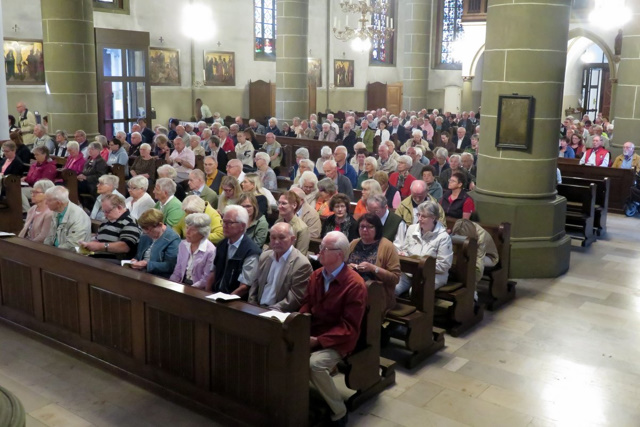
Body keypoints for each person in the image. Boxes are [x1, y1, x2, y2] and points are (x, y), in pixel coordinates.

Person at [300, 231, 367, 426]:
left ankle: (339, 411)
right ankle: (295, 400)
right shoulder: (317, 275)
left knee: (314, 365)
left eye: (324, 249)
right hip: (315, 332)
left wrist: (318, 341)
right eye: (320, 248)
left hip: (340, 341)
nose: (319, 252)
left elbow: (349, 327)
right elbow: (306, 304)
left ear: (340, 254)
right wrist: (301, 323)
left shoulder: (355, 284)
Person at [248, 222, 313, 312]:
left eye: (282, 238)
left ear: (292, 239)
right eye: (273, 238)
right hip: (257, 308)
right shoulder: (265, 257)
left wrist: (268, 312)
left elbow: (295, 298)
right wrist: (252, 305)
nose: (276, 242)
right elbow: (255, 285)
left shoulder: (301, 264)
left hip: (279, 314)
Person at [395, 201, 453, 295]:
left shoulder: (443, 237)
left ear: (433, 217)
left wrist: (420, 266)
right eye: (418, 215)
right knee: (393, 288)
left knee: (415, 292)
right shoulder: (412, 229)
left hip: (434, 275)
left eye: (424, 216)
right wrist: (403, 255)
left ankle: (422, 310)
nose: (419, 219)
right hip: (410, 273)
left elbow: (444, 265)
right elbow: (405, 250)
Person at [348, 213, 401, 313]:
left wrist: (373, 268)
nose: (364, 230)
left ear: (377, 228)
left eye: (369, 227)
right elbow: (342, 265)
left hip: (376, 293)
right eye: (362, 226)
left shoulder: (387, 246)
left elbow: (395, 278)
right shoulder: (354, 243)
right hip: (352, 287)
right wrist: (349, 267)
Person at [206, 205, 261, 297]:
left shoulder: (251, 252)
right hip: (215, 295)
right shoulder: (221, 245)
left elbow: (244, 287)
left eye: (229, 223)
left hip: (235, 302)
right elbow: (213, 273)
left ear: (242, 226)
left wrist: (225, 299)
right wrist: (206, 294)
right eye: (223, 221)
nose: (224, 226)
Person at [78, 193, 141, 261]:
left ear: (119, 208)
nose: (105, 215)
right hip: (98, 259)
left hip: (115, 263)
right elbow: (100, 239)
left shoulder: (130, 222)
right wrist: (90, 244)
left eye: (107, 211)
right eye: (103, 212)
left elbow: (125, 247)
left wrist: (99, 246)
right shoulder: (106, 222)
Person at [127, 208, 180, 277]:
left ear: (160, 225)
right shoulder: (145, 235)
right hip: (141, 273)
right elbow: (139, 255)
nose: (146, 232)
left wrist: (147, 264)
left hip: (159, 277)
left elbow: (170, 266)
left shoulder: (173, 239)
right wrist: (135, 260)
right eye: (144, 229)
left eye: (149, 229)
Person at [170, 213, 216, 288]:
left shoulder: (211, 251)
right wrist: (171, 285)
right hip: (182, 283)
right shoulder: (183, 245)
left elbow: (206, 279)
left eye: (192, 230)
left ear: (202, 233)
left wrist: (189, 290)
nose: (187, 232)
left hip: (197, 288)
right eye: (187, 228)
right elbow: (177, 270)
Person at [21, 146, 57, 211]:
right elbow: (30, 176)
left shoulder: (50, 166)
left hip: (41, 189)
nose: (35, 156)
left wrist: (29, 180)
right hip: (31, 185)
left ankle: (27, 211)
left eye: (37, 154)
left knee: (20, 191)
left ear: (44, 155)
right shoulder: (34, 165)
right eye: (34, 154)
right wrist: (25, 178)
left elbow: (44, 182)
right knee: (14, 188)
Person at [275, 191, 310, 255]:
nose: (279, 206)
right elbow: (272, 247)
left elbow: (301, 255)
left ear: (294, 205)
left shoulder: (302, 228)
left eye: (284, 203)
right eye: (279, 203)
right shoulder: (278, 222)